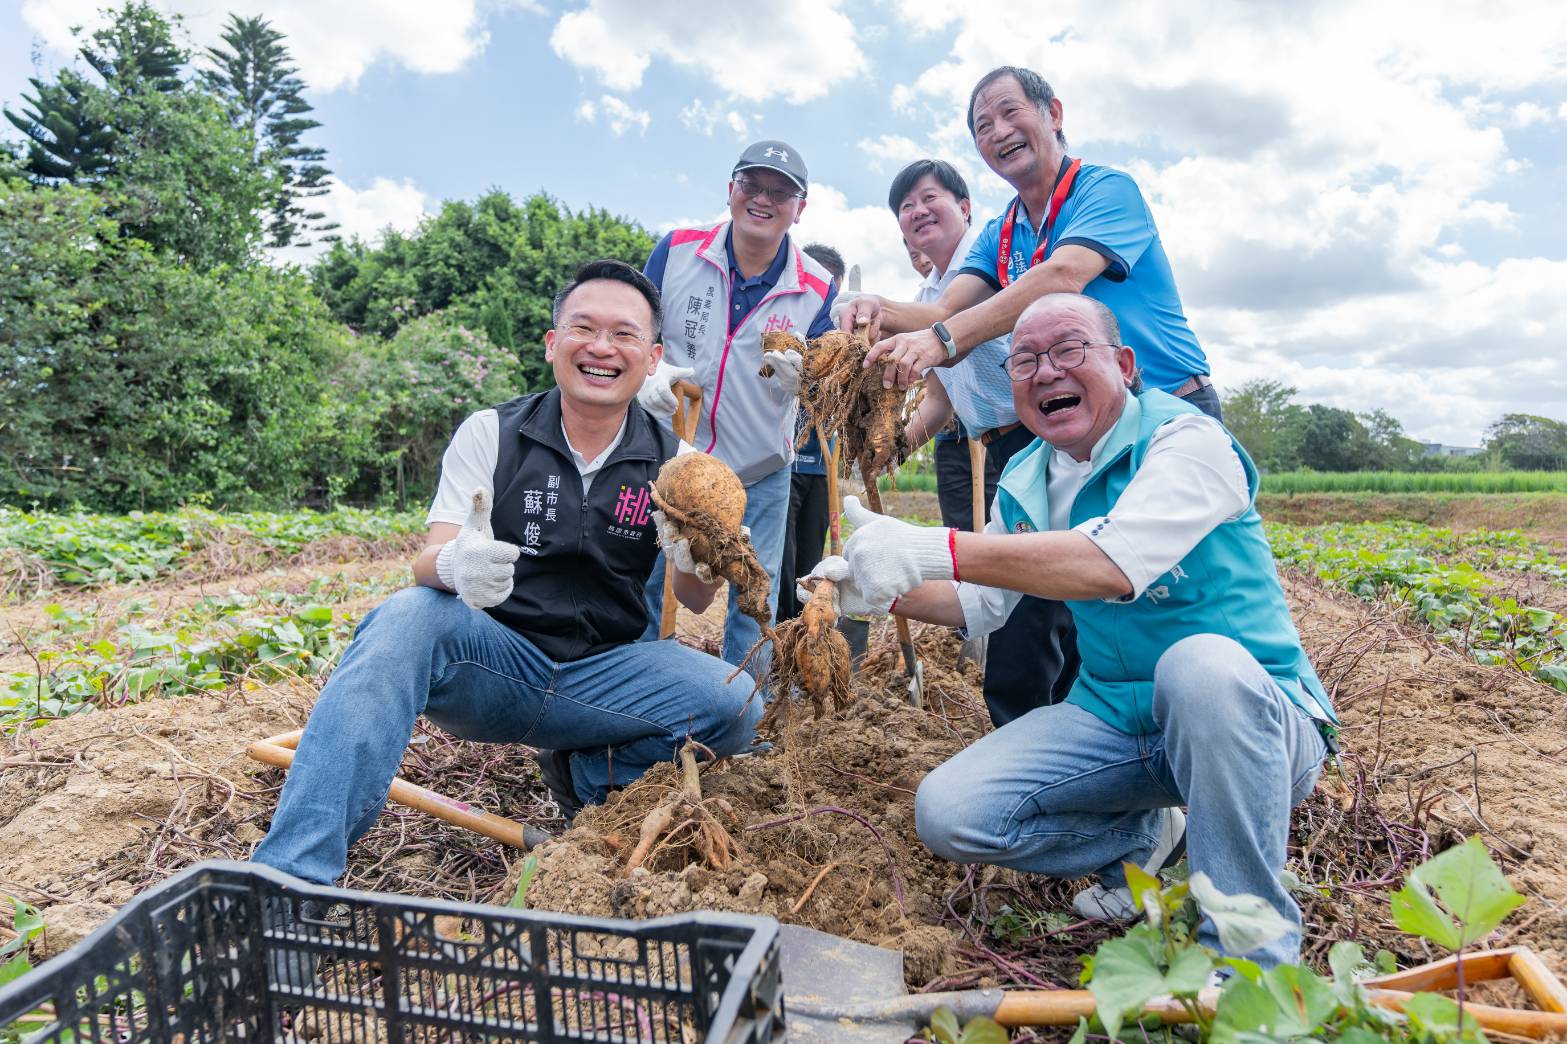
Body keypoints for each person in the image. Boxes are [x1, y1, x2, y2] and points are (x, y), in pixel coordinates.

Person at [811, 293, 1336, 968]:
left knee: (1198, 666)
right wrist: (874, 592)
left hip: (1252, 722)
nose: (1044, 371)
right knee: (950, 811)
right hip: (1117, 720)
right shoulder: (1026, 476)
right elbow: (979, 601)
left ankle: (1249, 959)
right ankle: (1143, 838)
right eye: (1025, 359)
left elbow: (1109, 563)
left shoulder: (1185, 441)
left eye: (1067, 350)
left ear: (1122, 364)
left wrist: (934, 546)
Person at [252, 261, 762, 892]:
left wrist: (698, 560)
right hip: (495, 666)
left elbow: (694, 596)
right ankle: (289, 881)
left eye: (624, 335)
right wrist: (454, 565)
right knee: (406, 616)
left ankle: (589, 775)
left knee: (737, 703)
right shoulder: (492, 433)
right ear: (553, 343)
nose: (601, 348)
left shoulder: (680, 465)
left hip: (605, 677)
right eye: (584, 328)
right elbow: (426, 558)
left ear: (653, 357)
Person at [839, 67, 1221, 423]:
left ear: (1053, 115)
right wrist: (880, 309)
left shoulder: (1105, 190)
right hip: (1089, 424)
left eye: (1010, 112)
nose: (999, 132)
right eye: (983, 127)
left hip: (1169, 403)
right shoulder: (997, 235)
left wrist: (943, 340)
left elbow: (1063, 276)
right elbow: (944, 309)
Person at [876, 158, 1078, 722]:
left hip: (1031, 441)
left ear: (966, 208)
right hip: (983, 441)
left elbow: (947, 320)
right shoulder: (927, 293)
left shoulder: (994, 270)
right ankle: (1031, 715)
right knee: (993, 575)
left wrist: (878, 312)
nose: (917, 211)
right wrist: (894, 446)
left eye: (929, 197)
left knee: (1031, 595)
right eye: (905, 207)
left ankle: (1033, 720)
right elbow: (940, 398)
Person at [636, 140, 837, 668]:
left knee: (756, 597)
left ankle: (746, 713)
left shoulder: (818, 288)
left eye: (781, 192)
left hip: (760, 468)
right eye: (751, 184)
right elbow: (636, 332)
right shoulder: (677, 250)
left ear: (800, 208)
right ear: (730, 190)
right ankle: (631, 694)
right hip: (671, 460)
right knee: (646, 578)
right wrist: (648, 375)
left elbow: (823, 386)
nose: (763, 199)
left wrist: (806, 383)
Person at [778, 242, 844, 621]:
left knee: (808, 564)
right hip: (784, 466)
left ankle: (804, 633)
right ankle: (776, 635)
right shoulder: (786, 331)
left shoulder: (839, 342)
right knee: (780, 561)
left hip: (822, 468)